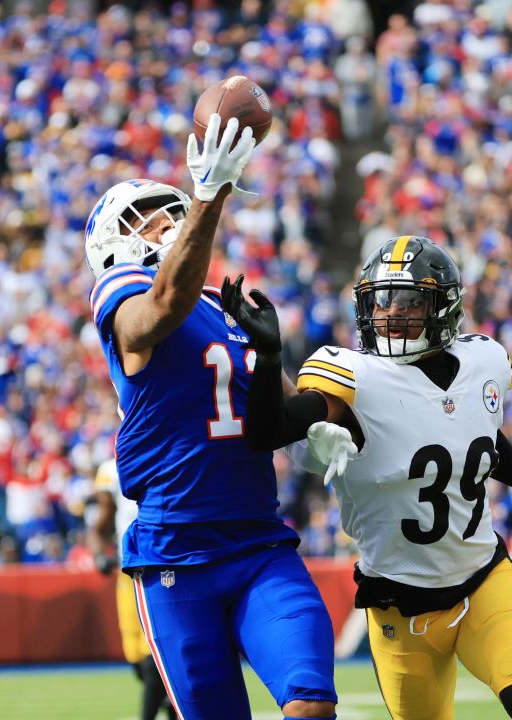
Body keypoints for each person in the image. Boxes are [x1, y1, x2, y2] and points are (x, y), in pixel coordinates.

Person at [229, 236, 512, 720]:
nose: (391, 313)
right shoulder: (355, 379)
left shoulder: (483, 362)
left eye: (408, 300)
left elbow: (479, 441)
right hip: (400, 603)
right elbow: (266, 432)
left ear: (444, 307)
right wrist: (270, 358)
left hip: (484, 578)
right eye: (382, 300)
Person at [84, 114, 337, 720]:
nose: (167, 224)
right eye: (149, 218)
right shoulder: (123, 294)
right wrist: (208, 194)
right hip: (176, 554)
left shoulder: (223, 308)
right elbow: (162, 306)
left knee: (310, 705)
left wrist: (318, 424)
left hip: (258, 542)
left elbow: (275, 417)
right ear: (112, 242)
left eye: (174, 213)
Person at [92, 457, 173, 720]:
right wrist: (98, 554)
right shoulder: (111, 469)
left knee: (156, 656)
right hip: (128, 572)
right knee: (137, 659)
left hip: (163, 567)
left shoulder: (168, 455)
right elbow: (100, 525)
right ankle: (173, 703)